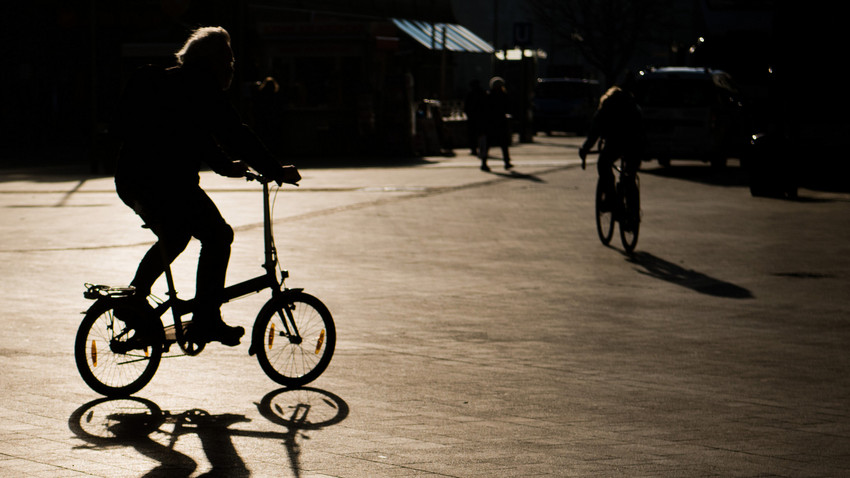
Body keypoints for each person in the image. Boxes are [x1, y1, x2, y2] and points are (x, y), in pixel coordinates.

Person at [112, 26, 300, 346]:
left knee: (177, 235)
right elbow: (233, 132)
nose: (231, 65)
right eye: (227, 58)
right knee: (218, 235)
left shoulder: (175, 83)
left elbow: (196, 136)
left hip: (134, 180)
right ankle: (207, 319)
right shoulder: (200, 85)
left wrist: (227, 167)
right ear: (210, 60)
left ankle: (133, 302)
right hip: (164, 182)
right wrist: (275, 170)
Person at [579, 84, 646, 206]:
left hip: (615, 144)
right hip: (635, 144)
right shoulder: (634, 106)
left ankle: (611, 197)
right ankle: (632, 210)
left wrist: (585, 149)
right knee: (630, 175)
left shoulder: (606, 107)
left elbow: (594, 132)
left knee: (603, 165)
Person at [479, 77, 513, 171]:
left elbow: (484, 110)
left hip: (490, 123)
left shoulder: (488, 95)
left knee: (488, 144)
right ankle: (506, 162)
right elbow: (507, 108)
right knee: (503, 144)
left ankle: (484, 163)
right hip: (500, 122)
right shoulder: (503, 95)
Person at [463, 79, 486, 156]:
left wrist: (468, 113)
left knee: (472, 134)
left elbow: (466, 106)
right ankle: (481, 148)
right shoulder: (483, 93)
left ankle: (473, 149)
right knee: (480, 134)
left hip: (472, 117)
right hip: (481, 117)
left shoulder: (470, 94)